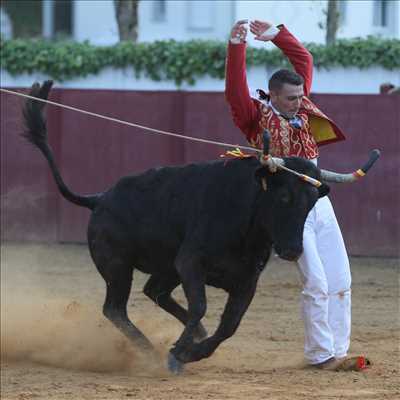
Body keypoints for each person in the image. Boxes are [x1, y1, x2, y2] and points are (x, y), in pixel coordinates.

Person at [225, 20, 366, 370]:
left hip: (318, 199)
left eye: (301, 96)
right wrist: (236, 47)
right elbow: (234, 89)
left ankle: (339, 351)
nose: (298, 102)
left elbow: (304, 59)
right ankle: (321, 356)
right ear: (272, 95)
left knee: (341, 279)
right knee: (316, 281)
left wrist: (276, 35)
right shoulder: (253, 116)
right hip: (286, 207)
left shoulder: (301, 106)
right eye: (290, 98)